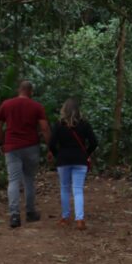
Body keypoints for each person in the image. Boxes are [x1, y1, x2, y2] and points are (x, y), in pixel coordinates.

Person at [0, 80, 50, 228]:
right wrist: (50, 147)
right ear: (30, 91)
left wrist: (1, 143)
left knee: (13, 180)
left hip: (12, 147)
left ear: (19, 90)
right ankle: (31, 212)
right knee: (29, 180)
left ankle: (14, 216)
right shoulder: (37, 106)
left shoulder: (6, 104)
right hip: (31, 146)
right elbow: (44, 128)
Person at [49, 98, 98, 231]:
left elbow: (51, 144)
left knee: (64, 188)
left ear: (64, 110)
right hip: (80, 160)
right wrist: (87, 153)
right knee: (78, 189)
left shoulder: (59, 125)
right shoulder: (85, 124)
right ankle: (80, 219)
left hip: (63, 160)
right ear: (78, 110)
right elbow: (94, 142)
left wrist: (57, 154)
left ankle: (65, 218)